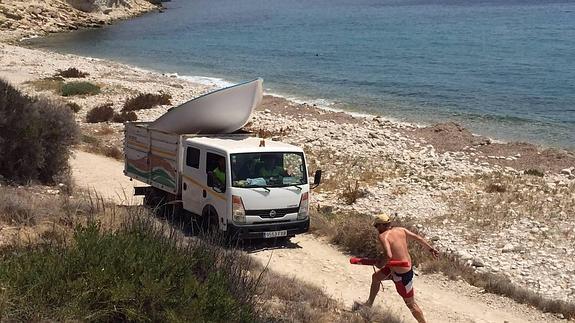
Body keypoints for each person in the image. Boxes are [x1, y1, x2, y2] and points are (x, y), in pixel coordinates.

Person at [359, 213, 439, 323]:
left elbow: (389, 255)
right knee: (376, 277)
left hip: (402, 275)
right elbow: (418, 238)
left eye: (377, 226)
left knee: (411, 304)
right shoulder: (401, 230)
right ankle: (369, 304)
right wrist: (431, 249)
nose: (376, 228)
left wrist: (380, 263)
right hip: (395, 268)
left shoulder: (383, 236)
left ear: (382, 225)